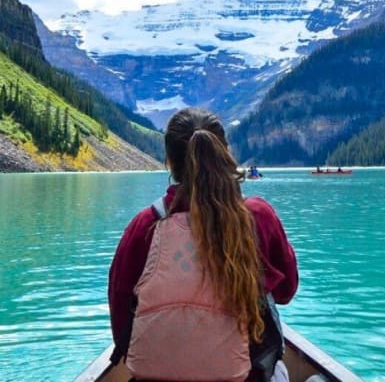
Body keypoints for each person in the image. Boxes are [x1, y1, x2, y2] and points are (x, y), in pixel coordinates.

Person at [108, 107, 299, 382]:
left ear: (170, 162)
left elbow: (121, 324)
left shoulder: (145, 225)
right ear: (224, 154)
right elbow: (285, 292)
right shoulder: (258, 217)